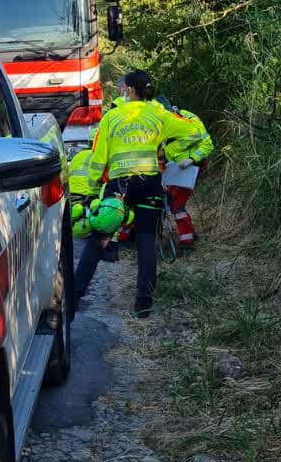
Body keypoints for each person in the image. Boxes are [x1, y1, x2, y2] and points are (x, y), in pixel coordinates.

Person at [68, 69, 206, 316]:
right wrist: (173, 152)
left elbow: (98, 158)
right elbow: (194, 132)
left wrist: (90, 191)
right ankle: (144, 304)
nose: (122, 90)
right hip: (149, 183)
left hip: (120, 185)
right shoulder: (158, 114)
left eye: (123, 87)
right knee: (146, 242)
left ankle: (75, 296)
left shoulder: (112, 116)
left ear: (129, 90)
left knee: (99, 239)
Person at [157, 97, 214, 248]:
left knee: (176, 205)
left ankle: (187, 241)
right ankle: (188, 235)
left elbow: (208, 144)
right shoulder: (160, 125)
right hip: (173, 169)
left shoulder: (188, 119)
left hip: (189, 168)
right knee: (171, 202)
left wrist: (192, 159)